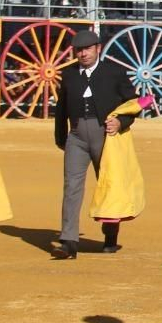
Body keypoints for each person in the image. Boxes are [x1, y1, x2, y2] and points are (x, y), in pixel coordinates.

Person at [52, 30, 138, 259]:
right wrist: (61, 137)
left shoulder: (114, 72)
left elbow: (133, 104)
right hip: (77, 136)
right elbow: (61, 109)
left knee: (109, 185)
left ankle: (110, 234)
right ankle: (69, 241)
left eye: (87, 49)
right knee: (71, 187)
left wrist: (121, 122)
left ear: (98, 48)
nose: (83, 54)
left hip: (106, 137)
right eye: (79, 50)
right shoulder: (69, 75)